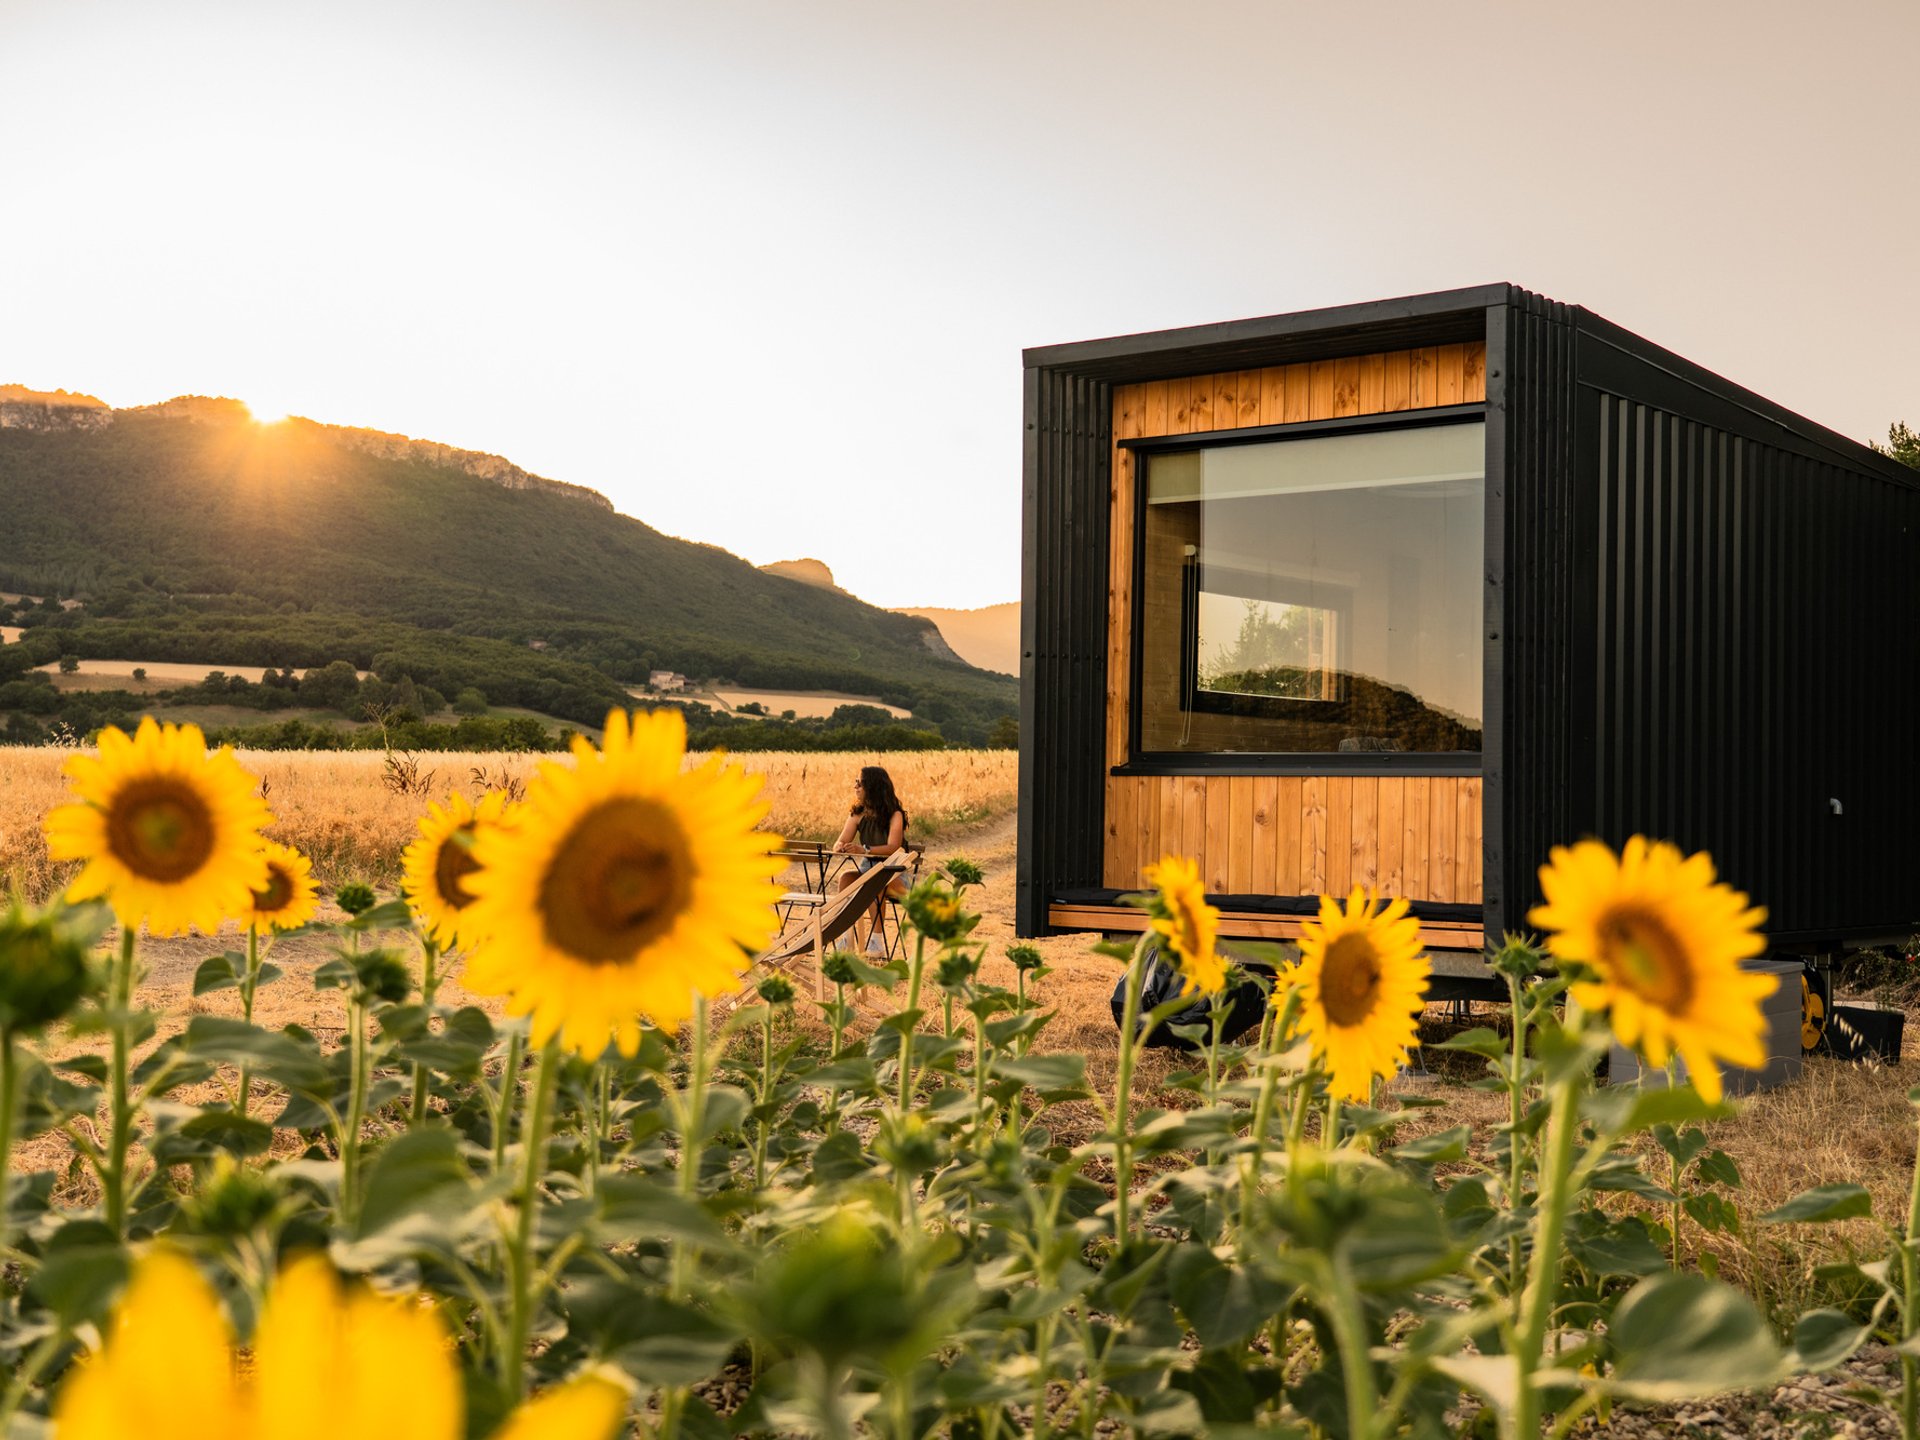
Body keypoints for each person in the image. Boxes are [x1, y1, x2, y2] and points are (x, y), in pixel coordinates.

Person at [832, 765, 909, 956]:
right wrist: (840, 847)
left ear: (872, 786)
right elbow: (840, 841)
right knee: (846, 878)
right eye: (855, 782)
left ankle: (877, 943)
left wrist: (864, 849)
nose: (855, 786)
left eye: (860, 782)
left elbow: (893, 847)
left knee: (875, 882)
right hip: (869, 873)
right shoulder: (858, 814)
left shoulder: (895, 815)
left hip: (895, 874)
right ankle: (846, 936)